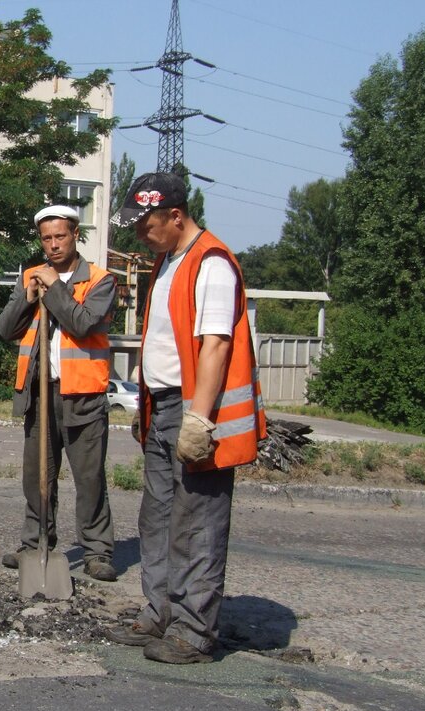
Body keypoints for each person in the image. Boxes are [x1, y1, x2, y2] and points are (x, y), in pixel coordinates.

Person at [104, 172, 266, 664]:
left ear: (176, 216)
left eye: (146, 224)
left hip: (196, 410)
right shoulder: (168, 261)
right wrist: (147, 408)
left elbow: (215, 346)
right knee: (156, 518)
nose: (139, 234)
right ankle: (159, 612)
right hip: (162, 406)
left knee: (197, 521)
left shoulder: (212, 263)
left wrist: (199, 420)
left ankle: (194, 632)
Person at [0, 204, 118, 582]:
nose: (53, 244)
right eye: (46, 238)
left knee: (89, 477)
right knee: (37, 476)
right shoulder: (32, 276)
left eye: (60, 236)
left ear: (75, 236)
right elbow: (5, 329)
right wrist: (29, 296)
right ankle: (35, 544)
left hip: (83, 395)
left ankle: (97, 550)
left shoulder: (101, 280)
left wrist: (56, 289)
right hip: (39, 392)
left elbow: (82, 325)